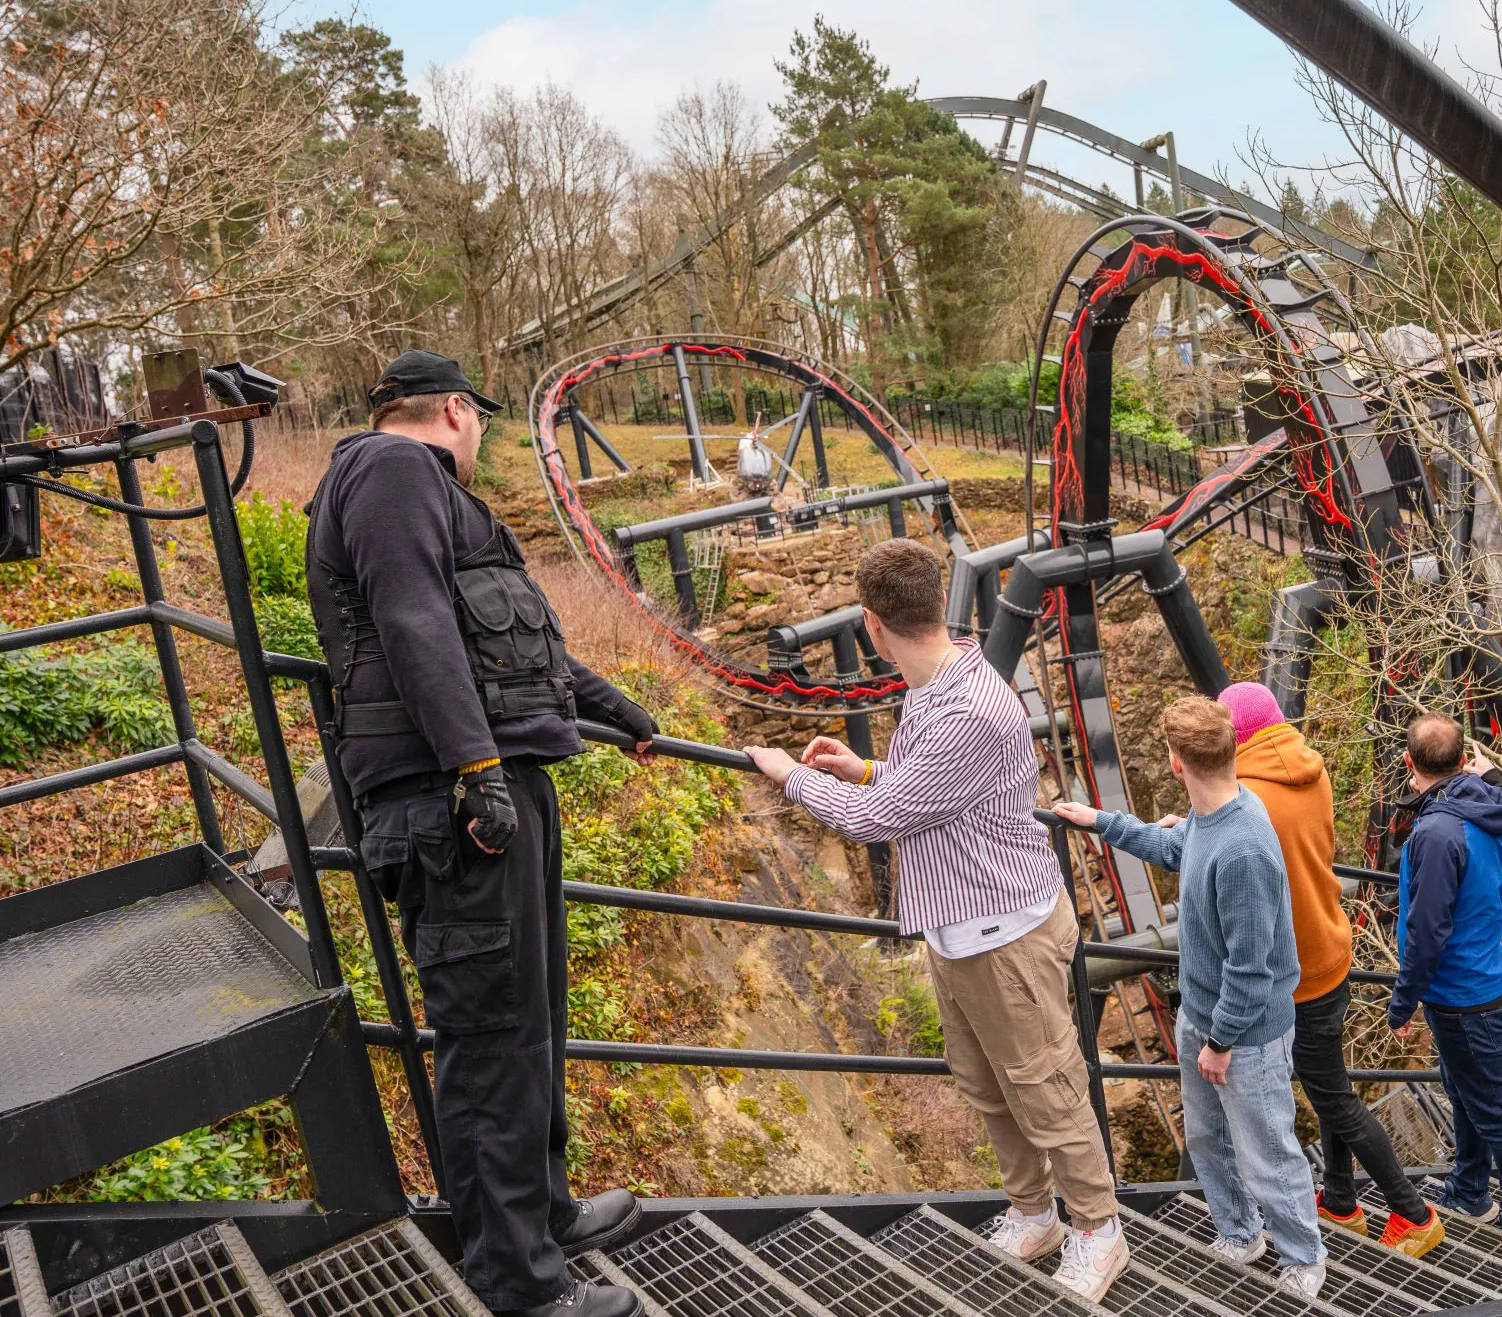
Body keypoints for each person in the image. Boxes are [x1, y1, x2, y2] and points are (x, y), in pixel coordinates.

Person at [306, 351, 659, 1317]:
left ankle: (540, 1214)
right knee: (493, 1038)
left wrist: (617, 705)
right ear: (456, 410)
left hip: (493, 787)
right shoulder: (390, 470)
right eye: (483, 424)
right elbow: (412, 618)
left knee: (530, 1022)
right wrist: (474, 767)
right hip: (454, 802)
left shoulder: (434, 498)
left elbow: (512, 639)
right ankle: (520, 1287)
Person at [741, 539, 1128, 1303]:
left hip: (1006, 931)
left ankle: (1098, 1229)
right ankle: (1033, 1213)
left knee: (1047, 1088)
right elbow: (922, 789)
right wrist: (867, 767)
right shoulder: (933, 682)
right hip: (958, 922)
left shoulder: (971, 708)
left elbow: (881, 819)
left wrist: (790, 778)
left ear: (869, 624)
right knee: (989, 1084)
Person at [1054, 696, 1328, 1299]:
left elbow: (1253, 969)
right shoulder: (1211, 816)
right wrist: (1102, 821)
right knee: (1207, 1138)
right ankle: (1240, 1232)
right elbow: (1176, 850)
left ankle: (1304, 1257)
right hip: (1203, 1018)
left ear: (1177, 762)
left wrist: (1221, 1042)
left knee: (1268, 1153)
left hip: (1244, 1035)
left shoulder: (1244, 850)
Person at [1216, 682, 1445, 1258]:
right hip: (1331, 946)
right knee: (1329, 1084)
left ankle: (1414, 1214)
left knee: (1334, 1096)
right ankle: (1340, 1202)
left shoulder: (1246, 797)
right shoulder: (1307, 769)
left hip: (1294, 966)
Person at [1385, 714, 1502, 1246]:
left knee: (1493, 1108)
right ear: (1462, 760)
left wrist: (1402, 1003)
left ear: (1410, 763)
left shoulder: (1436, 832)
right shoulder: (1487, 803)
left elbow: (1426, 931)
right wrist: (1488, 775)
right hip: (1487, 979)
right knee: (1467, 1092)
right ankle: (1471, 1190)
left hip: (1460, 993)